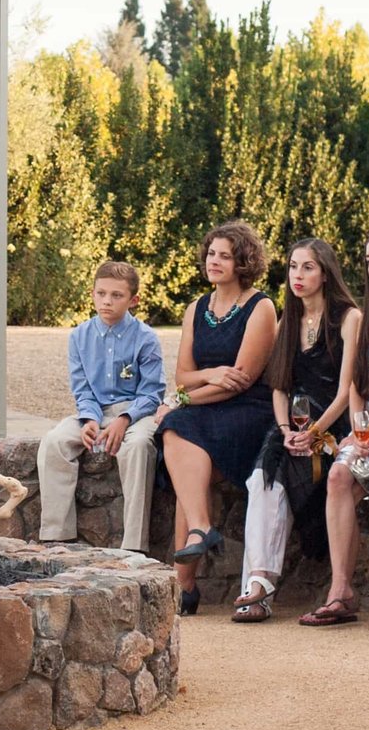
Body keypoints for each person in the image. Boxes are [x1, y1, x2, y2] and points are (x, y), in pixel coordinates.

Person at [240, 239, 364, 623]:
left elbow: (347, 389)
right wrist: (284, 428)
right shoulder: (287, 320)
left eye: (308, 267)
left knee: (304, 476)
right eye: (293, 266)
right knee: (263, 479)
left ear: (325, 272)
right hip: (291, 425)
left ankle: (267, 585)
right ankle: (258, 585)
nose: (298, 275)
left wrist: (315, 432)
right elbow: (279, 384)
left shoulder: (348, 317)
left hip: (333, 426)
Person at [158, 221, 278, 616]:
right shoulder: (197, 308)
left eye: (225, 255)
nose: (215, 261)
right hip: (205, 405)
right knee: (180, 442)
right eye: (211, 253)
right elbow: (183, 375)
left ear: (243, 261)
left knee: (177, 429)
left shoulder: (260, 307)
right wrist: (205, 377)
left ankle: (184, 586)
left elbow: (240, 382)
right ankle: (199, 530)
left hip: (247, 412)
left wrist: (184, 400)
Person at [300, 230, 369, 628]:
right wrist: (357, 429)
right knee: (337, 474)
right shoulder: (367, 317)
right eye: (368, 260)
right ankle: (341, 590)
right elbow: (353, 383)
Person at [37, 260, 167, 556]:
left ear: (134, 300)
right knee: (54, 442)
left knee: (136, 448)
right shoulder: (79, 337)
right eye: (101, 293)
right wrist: (89, 420)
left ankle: (134, 546)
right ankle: (58, 536)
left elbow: (152, 393)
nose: (107, 301)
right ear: (93, 294)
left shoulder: (146, 339)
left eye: (117, 295)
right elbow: (82, 388)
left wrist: (124, 419)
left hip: (136, 413)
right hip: (93, 410)